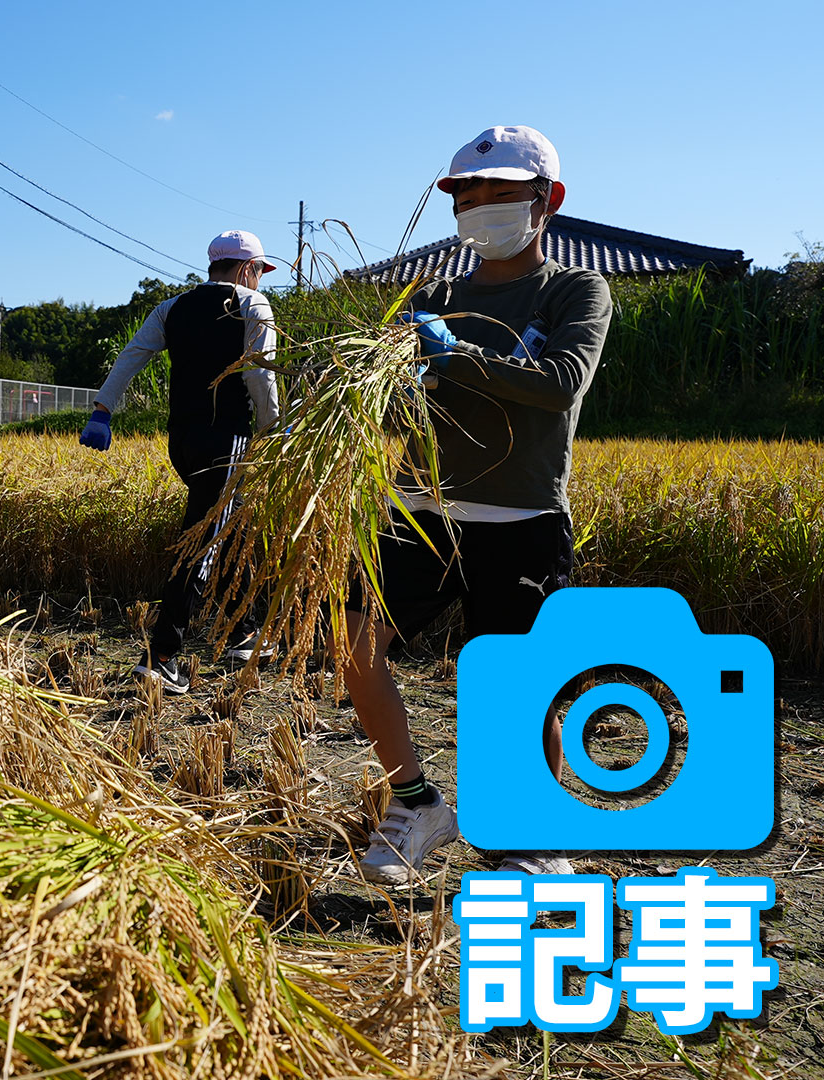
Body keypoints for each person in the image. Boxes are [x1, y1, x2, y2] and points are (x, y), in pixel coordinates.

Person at [346, 126, 612, 885]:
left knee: (516, 684)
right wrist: (369, 391)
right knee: (353, 646)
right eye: (468, 197)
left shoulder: (574, 290)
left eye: (501, 195)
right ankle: (416, 800)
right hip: (417, 508)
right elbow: (400, 409)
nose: (481, 209)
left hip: (518, 518)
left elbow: (561, 381)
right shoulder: (434, 296)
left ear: (546, 200)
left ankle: (528, 829)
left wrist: (453, 354)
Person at [79, 230, 283, 694]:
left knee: (228, 528)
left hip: (183, 443)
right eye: (260, 272)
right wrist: (275, 428)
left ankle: (242, 633)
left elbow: (131, 357)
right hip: (226, 440)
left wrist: (102, 410)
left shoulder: (171, 308)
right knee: (205, 540)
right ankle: (162, 656)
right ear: (250, 268)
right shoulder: (252, 304)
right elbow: (259, 370)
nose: (260, 280)